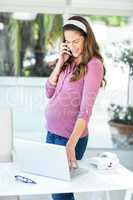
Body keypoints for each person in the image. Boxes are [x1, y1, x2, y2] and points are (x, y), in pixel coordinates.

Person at [45, 15, 106, 200]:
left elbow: (85, 110)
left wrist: (71, 145)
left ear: (87, 38)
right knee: (57, 189)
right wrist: (60, 63)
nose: (72, 46)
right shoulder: (67, 61)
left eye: (76, 41)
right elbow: (49, 92)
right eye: (68, 42)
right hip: (51, 133)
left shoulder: (94, 65)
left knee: (60, 194)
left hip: (70, 138)